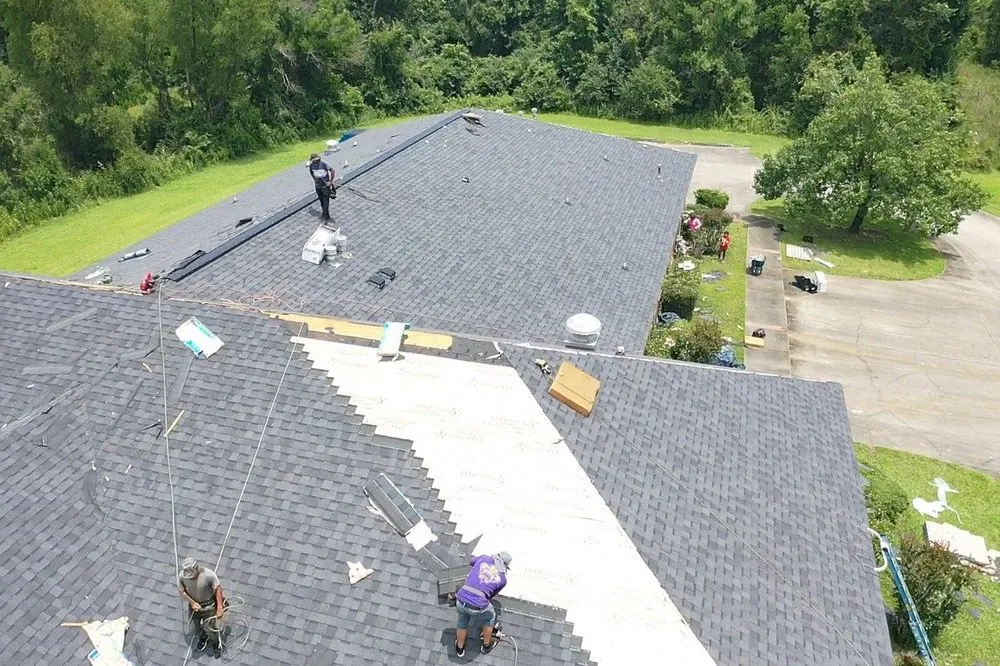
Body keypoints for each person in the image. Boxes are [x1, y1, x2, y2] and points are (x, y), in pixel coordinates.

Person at [454, 551, 511, 657]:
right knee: (490, 618)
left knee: (462, 621)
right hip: (478, 605)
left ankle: (459, 648)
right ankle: (486, 646)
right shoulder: (502, 579)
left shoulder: (484, 558)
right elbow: (490, 595)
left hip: (461, 598)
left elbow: (472, 561)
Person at [178, 557, 225, 658]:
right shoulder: (182, 576)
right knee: (195, 627)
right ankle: (203, 638)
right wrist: (192, 602)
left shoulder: (208, 574)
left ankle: (216, 643)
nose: (190, 577)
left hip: (208, 605)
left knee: (210, 628)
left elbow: (217, 589)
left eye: (192, 574)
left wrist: (220, 607)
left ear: (196, 568)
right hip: (195, 606)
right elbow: (182, 591)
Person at [307, 153, 336, 220]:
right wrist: (315, 179)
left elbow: (332, 171)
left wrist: (330, 182)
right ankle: (325, 214)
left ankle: (325, 216)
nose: (316, 161)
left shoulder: (324, 164)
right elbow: (311, 172)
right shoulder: (311, 166)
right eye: (315, 160)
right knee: (322, 201)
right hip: (318, 186)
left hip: (325, 186)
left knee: (325, 201)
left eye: (317, 160)